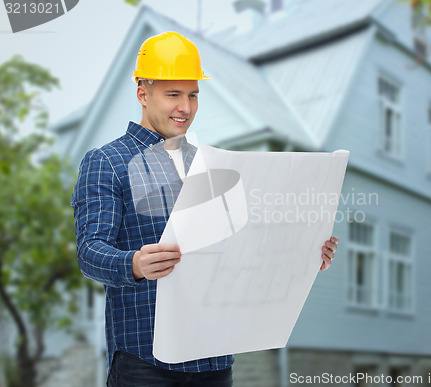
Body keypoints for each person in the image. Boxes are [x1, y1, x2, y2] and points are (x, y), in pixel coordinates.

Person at [71, 31, 339, 387]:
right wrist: (133, 263)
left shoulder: (209, 166)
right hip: (145, 360)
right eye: (173, 94)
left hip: (213, 358)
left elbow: (245, 248)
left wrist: (304, 253)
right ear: (142, 93)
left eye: (193, 95)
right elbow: (90, 251)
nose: (185, 107)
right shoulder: (106, 161)